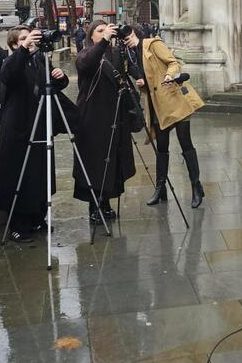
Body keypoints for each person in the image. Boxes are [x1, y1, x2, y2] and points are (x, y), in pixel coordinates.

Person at [0, 26, 71, 242]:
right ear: (14, 44)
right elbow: (8, 76)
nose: (30, 41)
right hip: (18, 129)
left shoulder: (39, 60)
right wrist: (24, 50)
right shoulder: (11, 62)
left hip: (40, 126)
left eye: (30, 38)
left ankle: (38, 217)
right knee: (19, 176)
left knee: (39, 175)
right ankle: (18, 224)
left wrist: (60, 77)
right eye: (23, 39)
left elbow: (53, 87)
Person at [120, 26, 206, 208]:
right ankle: (161, 188)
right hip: (156, 105)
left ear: (134, 33)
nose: (126, 39)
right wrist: (142, 82)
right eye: (123, 38)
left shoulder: (152, 44)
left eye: (128, 35)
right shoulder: (129, 55)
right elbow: (144, 77)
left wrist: (168, 74)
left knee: (185, 143)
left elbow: (173, 63)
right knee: (162, 147)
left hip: (174, 100)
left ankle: (196, 186)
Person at [74, 20, 136, 222]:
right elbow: (87, 65)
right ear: (91, 36)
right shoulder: (86, 53)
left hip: (114, 114)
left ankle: (106, 201)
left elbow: (130, 72)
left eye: (107, 30)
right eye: (99, 31)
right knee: (95, 162)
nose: (105, 33)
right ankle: (94, 205)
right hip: (92, 117)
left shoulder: (116, 53)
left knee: (112, 160)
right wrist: (103, 42)